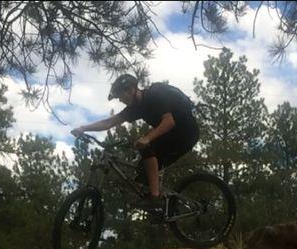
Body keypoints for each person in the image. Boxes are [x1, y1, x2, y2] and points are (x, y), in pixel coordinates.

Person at [70, 74, 200, 212]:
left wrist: (147, 139)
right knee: (142, 173)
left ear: (131, 90)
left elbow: (169, 121)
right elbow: (109, 122)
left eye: (120, 96)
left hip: (186, 133)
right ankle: (161, 207)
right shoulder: (135, 108)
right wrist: (83, 128)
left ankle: (155, 197)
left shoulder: (154, 95)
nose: (120, 100)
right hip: (171, 135)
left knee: (148, 148)